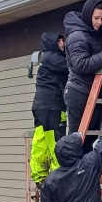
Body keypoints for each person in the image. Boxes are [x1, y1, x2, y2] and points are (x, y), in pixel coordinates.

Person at [63, 0, 102, 154]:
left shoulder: (101, 36)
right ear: (88, 15)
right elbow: (81, 64)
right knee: (77, 142)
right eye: (96, 18)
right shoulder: (77, 36)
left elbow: (99, 61)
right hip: (80, 93)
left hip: (95, 93)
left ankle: (88, 176)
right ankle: (75, 177)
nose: (99, 22)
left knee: (89, 141)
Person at [30, 32, 68, 187]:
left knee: (41, 142)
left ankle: (40, 177)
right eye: (58, 41)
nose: (62, 43)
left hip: (40, 107)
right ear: (51, 44)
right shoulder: (53, 58)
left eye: (62, 40)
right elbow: (72, 66)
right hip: (53, 107)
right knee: (56, 143)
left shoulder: (46, 59)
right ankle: (57, 179)